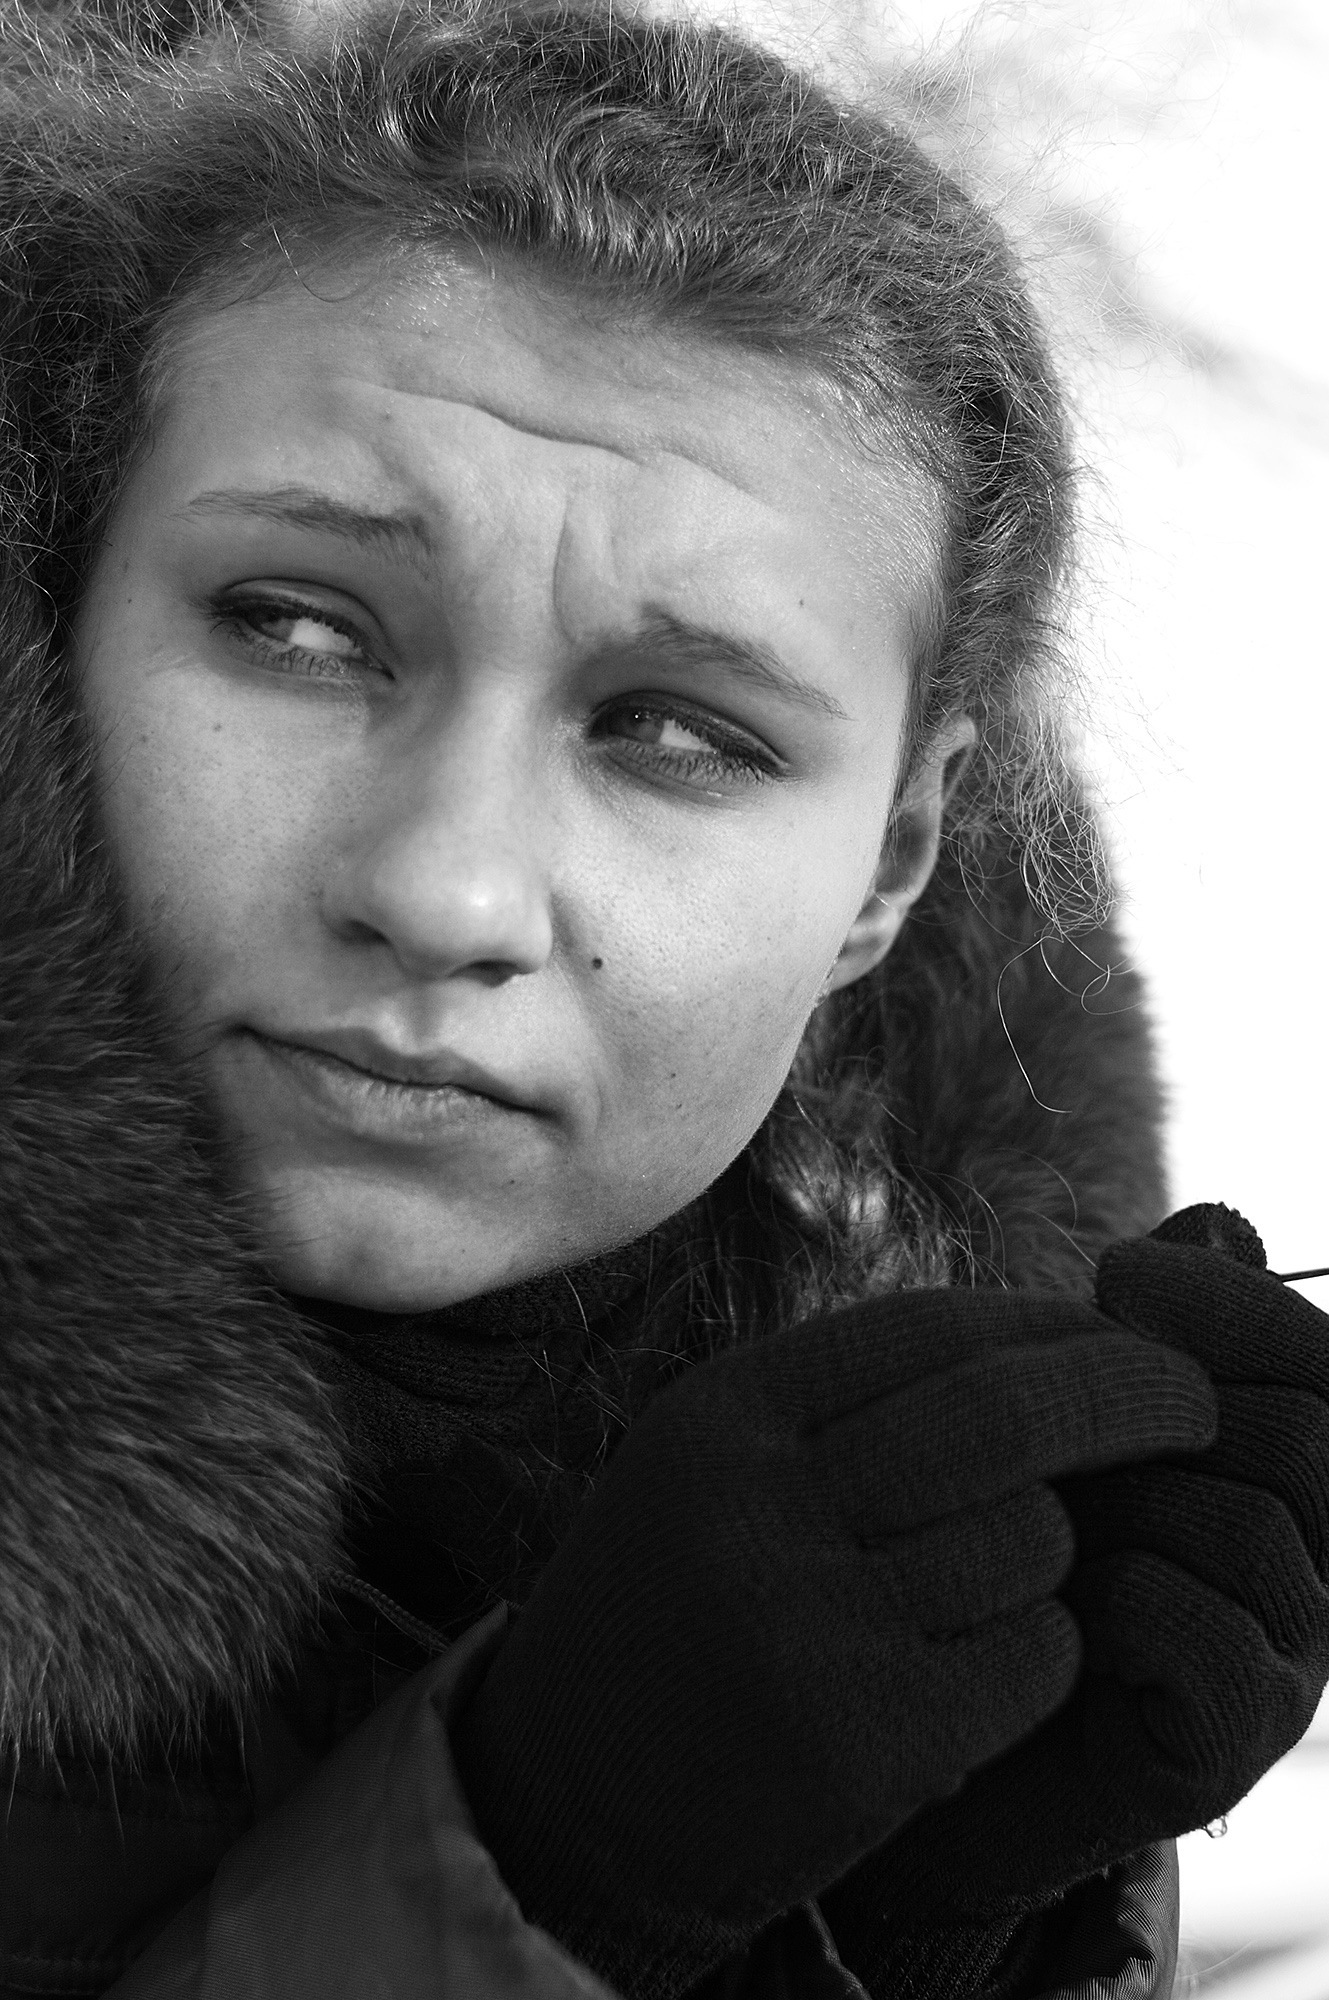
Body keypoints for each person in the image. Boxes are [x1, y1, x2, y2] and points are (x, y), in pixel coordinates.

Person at [2, 2, 1327, 1995]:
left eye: (677, 734)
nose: (444, 890)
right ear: (57, 613)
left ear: (890, 867)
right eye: (298, 628)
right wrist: (541, 1870)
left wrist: (917, 1926)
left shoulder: (851, 1569)